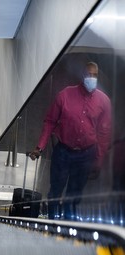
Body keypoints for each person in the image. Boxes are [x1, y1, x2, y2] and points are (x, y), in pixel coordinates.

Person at [29, 62, 112, 220]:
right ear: (82, 75)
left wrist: (98, 161)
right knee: (55, 190)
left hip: (86, 155)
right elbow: (50, 121)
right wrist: (40, 147)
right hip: (63, 152)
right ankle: (52, 221)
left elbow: (104, 133)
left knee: (75, 193)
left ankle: (68, 223)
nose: (91, 78)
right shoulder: (65, 95)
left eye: (95, 76)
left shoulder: (104, 101)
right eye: (89, 74)